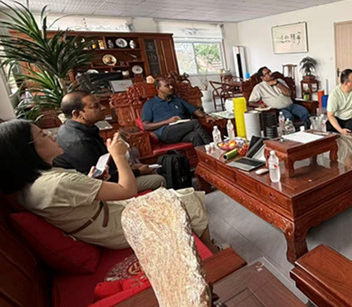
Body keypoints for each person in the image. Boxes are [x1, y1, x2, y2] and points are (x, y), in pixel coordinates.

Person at [0, 119, 215, 251]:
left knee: (186, 195)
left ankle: (207, 247)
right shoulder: (55, 183)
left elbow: (70, 198)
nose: (51, 135)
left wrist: (90, 183)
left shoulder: (36, 182)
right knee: (189, 201)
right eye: (42, 134)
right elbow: (127, 190)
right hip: (115, 228)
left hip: (105, 217)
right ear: (26, 150)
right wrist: (118, 155)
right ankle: (212, 253)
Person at [54, 91, 166, 192]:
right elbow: (98, 177)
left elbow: (102, 161)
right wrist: (138, 172)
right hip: (95, 186)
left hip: (107, 173)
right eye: (95, 106)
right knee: (157, 180)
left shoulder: (75, 127)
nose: (103, 108)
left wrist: (127, 167)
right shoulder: (79, 141)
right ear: (77, 114)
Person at [141, 77, 212, 147]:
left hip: (182, 128)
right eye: (167, 86)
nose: (171, 87)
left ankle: (204, 154)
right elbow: (145, 126)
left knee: (195, 136)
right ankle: (213, 146)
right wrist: (168, 121)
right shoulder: (150, 104)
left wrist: (206, 116)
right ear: (158, 88)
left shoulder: (177, 100)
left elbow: (195, 111)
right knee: (195, 122)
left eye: (170, 85)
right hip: (166, 132)